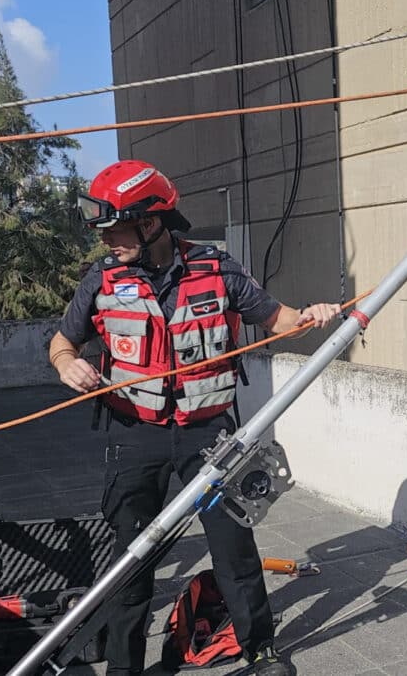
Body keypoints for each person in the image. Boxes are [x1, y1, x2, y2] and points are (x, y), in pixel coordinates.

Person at [48, 160, 340, 676]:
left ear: (152, 222)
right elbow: (63, 341)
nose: (107, 240)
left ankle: (261, 651)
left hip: (209, 436)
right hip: (134, 435)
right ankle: (124, 667)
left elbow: (280, 320)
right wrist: (67, 364)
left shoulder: (218, 269)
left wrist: (312, 316)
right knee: (130, 560)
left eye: (116, 229)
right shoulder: (101, 278)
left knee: (234, 549)